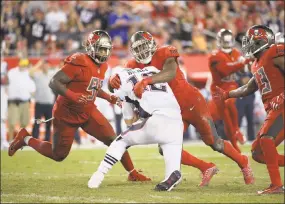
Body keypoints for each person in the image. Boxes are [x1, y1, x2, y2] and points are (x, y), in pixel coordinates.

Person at [109, 31, 254, 186]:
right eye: (138, 48)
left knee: (214, 142)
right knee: (165, 148)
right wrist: (113, 82)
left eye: (145, 46)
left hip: (191, 103)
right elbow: (119, 86)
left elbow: (170, 73)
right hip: (171, 112)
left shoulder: (165, 52)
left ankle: (243, 161)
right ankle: (206, 167)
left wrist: (146, 81)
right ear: (132, 51)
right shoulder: (131, 65)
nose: (143, 51)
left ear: (152, 44)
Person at [8, 30, 150, 182]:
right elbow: (54, 82)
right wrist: (73, 95)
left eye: (107, 49)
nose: (104, 53)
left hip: (88, 111)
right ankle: (25, 139)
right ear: (91, 47)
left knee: (114, 139)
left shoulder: (102, 67)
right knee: (59, 155)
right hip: (66, 114)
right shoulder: (79, 60)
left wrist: (109, 97)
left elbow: (92, 87)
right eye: (101, 48)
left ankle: (132, 173)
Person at [214, 25, 284, 195]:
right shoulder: (256, 63)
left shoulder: (275, 52)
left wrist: (282, 96)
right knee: (258, 153)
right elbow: (248, 88)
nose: (249, 45)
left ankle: (276, 186)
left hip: (281, 106)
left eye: (253, 41)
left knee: (266, 139)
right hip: (273, 110)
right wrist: (227, 94)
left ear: (263, 41)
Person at [88, 66, 183, 191]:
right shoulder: (153, 70)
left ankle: (98, 175)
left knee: (121, 141)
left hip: (157, 121)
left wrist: (137, 117)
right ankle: (172, 174)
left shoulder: (124, 80)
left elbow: (129, 120)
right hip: (177, 122)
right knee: (171, 158)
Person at [208, 29, 253, 152]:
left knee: (229, 102)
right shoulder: (214, 56)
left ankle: (237, 130)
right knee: (225, 117)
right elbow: (225, 70)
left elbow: (243, 71)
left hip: (230, 85)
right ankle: (234, 145)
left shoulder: (236, 53)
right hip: (217, 88)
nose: (227, 43)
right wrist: (244, 61)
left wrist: (246, 65)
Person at [7, 58, 36, 142]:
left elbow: (32, 89)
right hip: (14, 102)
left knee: (24, 123)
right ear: (19, 64)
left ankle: (19, 140)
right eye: (22, 64)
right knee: (12, 123)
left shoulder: (28, 74)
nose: (23, 66)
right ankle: (10, 140)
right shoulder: (12, 72)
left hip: (25, 102)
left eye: (25, 65)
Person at [29, 59, 57, 142]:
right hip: (40, 103)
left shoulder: (52, 75)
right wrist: (38, 64)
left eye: (47, 65)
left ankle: (47, 141)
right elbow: (30, 72)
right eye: (44, 65)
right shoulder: (38, 75)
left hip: (49, 104)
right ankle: (34, 140)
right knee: (37, 123)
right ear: (42, 66)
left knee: (49, 124)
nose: (45, 66)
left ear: (49, 66)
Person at [1, 55, 9, 149]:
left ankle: (3, 140)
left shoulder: (4, 65)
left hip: (2, 91)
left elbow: (6, 80)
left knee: (2, 118)